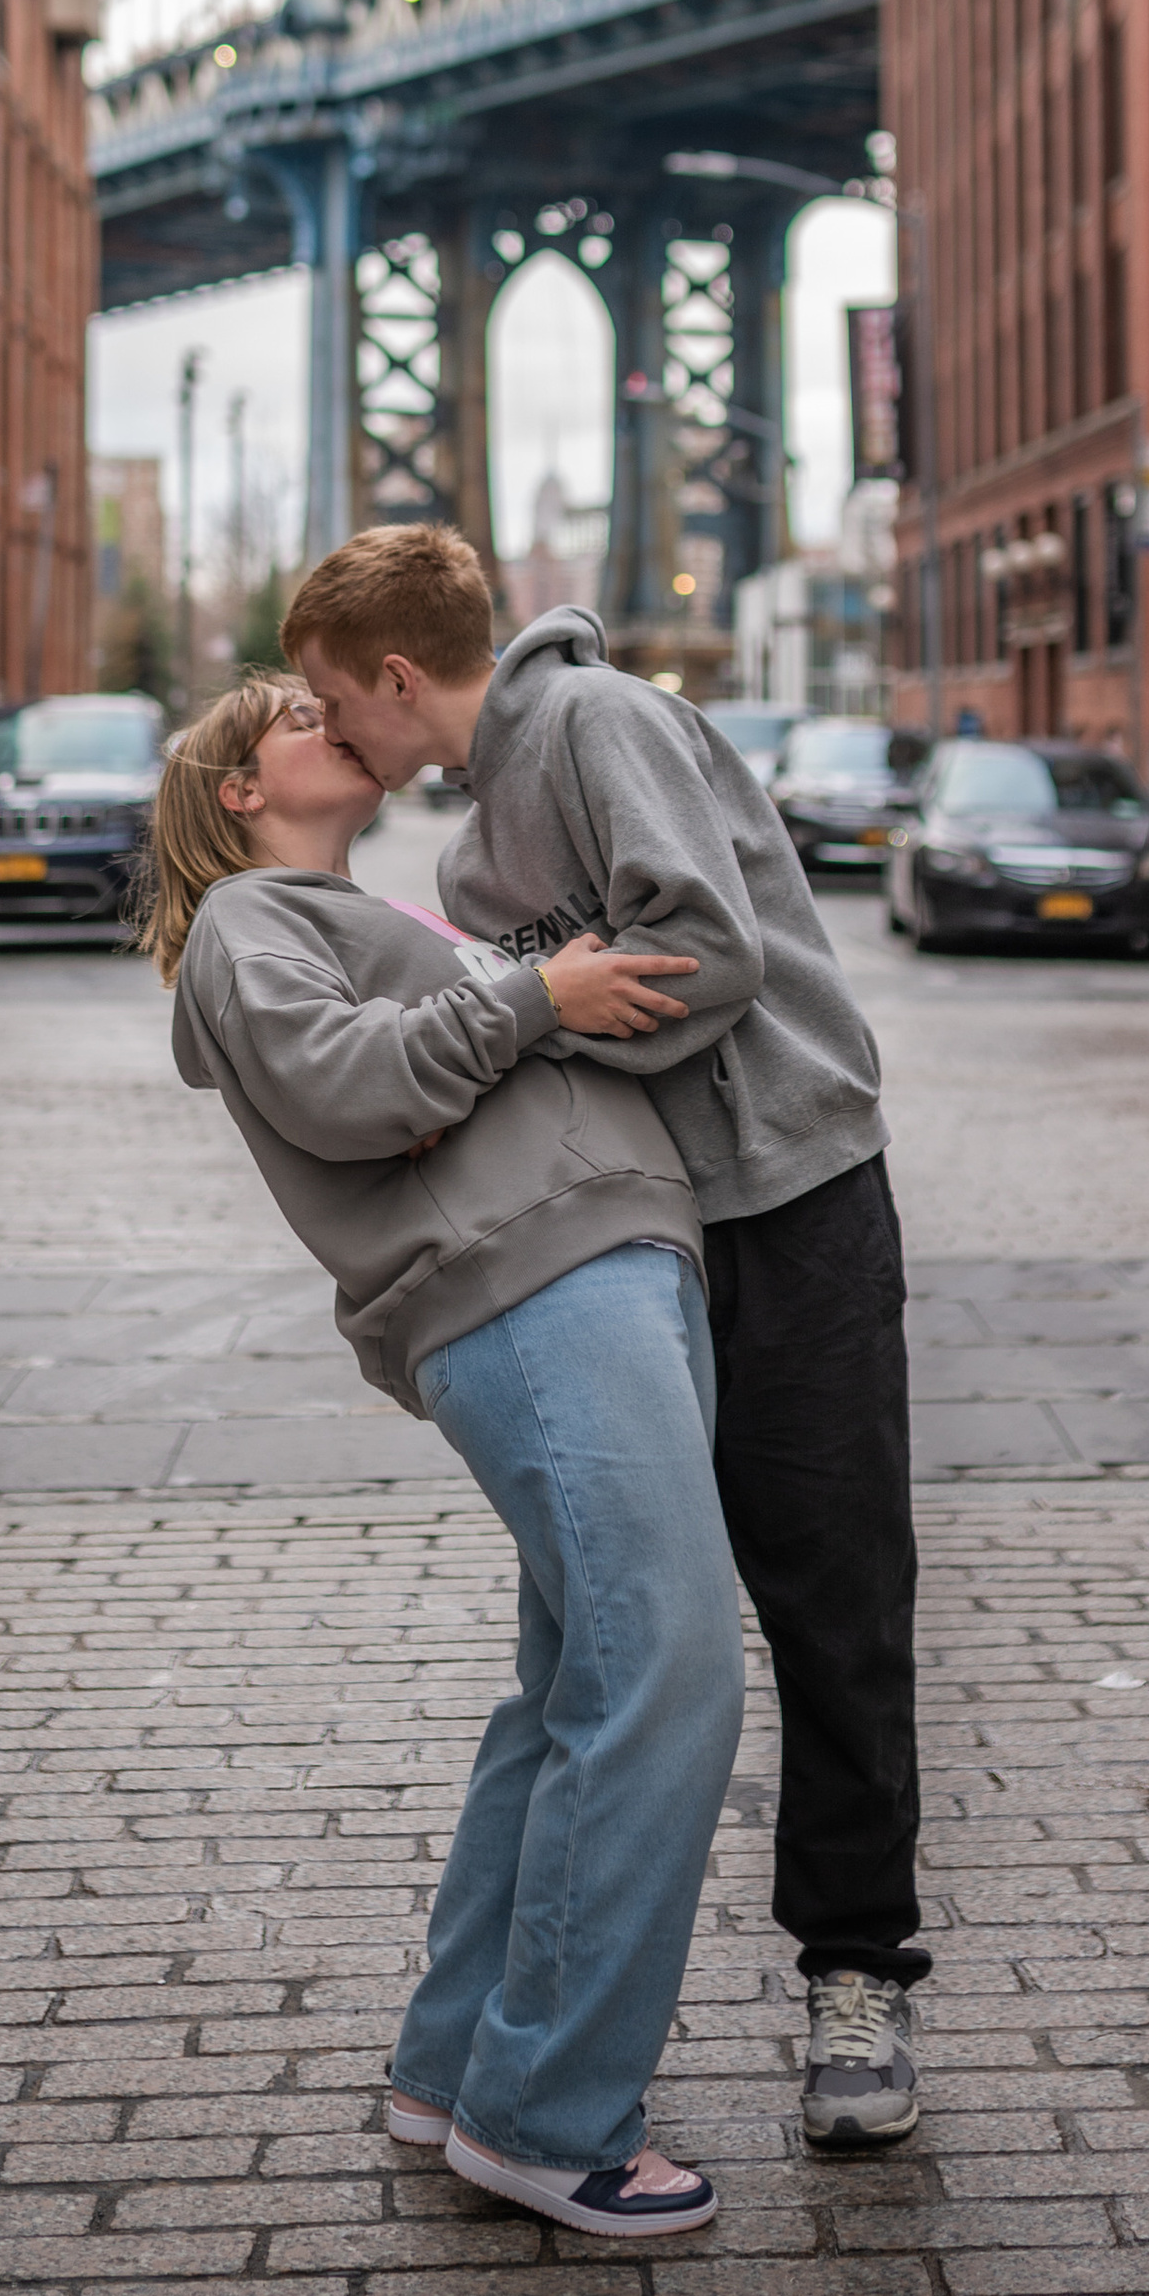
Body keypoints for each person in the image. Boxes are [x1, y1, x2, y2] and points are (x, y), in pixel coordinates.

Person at [283, 524, 927, 2149]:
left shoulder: (600, 722)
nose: (325, 726)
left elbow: (701, 951)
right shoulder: (460, 859)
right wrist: (542, 1007)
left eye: (323, 697)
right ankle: (530, 2037)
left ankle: (857, 1974)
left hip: (793, 1197)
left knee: (835, 1601)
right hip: (638, 1249)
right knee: (614, 1632)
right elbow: (552, 1026)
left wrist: (547, 1010)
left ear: (397, 678)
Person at [146, 671, 748, 2237]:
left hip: (593, 1268)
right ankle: (548, 2116)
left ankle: (452, 2069)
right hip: (535, 1286)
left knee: (577, 1692)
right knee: (673, 1667)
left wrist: (502, 1004)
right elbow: (351, 1088)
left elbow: (412, 1064)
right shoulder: (245, 926)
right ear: (237, 786)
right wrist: (534, 1001)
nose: (330, 707)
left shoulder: (345, 912)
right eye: (293, 706)